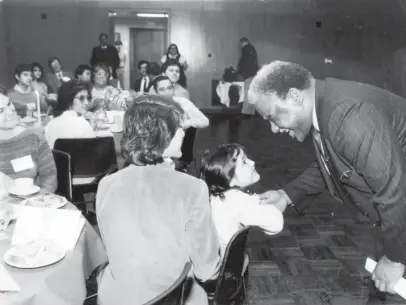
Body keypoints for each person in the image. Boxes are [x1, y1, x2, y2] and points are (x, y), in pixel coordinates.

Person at [248, 60, 406, 304]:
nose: (273, 129)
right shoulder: (327, 105)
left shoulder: (346, 114)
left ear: (294, 97)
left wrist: (396, 259)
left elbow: (395, 190)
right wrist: (287, 195)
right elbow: (333, 162)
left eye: (272, 117)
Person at [96, 95, 220, 305]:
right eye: (179, 127)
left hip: (116, 297)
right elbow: (207, 270)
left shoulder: (106, 184)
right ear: (161, 135)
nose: (184, 131)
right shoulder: (192, 188)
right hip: (172, 297)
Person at [199, 143, 284, 257]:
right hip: (227, 265)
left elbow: (239, 205)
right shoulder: (240, 202)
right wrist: (281, 202)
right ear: (231, 180)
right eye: (244, 162)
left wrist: (258, 199)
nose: (252, 162)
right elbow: (276, 224)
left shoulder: (217, 196)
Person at [0, 87, 56, 192]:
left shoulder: (33, 137)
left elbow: (49, 176)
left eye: (8, 104)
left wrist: (40, 200)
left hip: (32, 202)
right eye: (1, 110)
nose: (10, 111)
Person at [45, 81, 94, 149]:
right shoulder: (82, 123)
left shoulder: (50, 124)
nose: (86, 102)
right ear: (68, 100)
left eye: (88, 98)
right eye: (81, 98)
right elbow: (92, 149)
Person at [237, 37, 258, 116]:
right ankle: (252, 112)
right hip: (253, 74)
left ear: (242, 42)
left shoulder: (246, 49)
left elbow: (243, 62)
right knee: (252, 93)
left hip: (248, 74)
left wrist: (240, 71)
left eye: (241, 43)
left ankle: (245, 112)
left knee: (247, 93)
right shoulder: (252, 49)